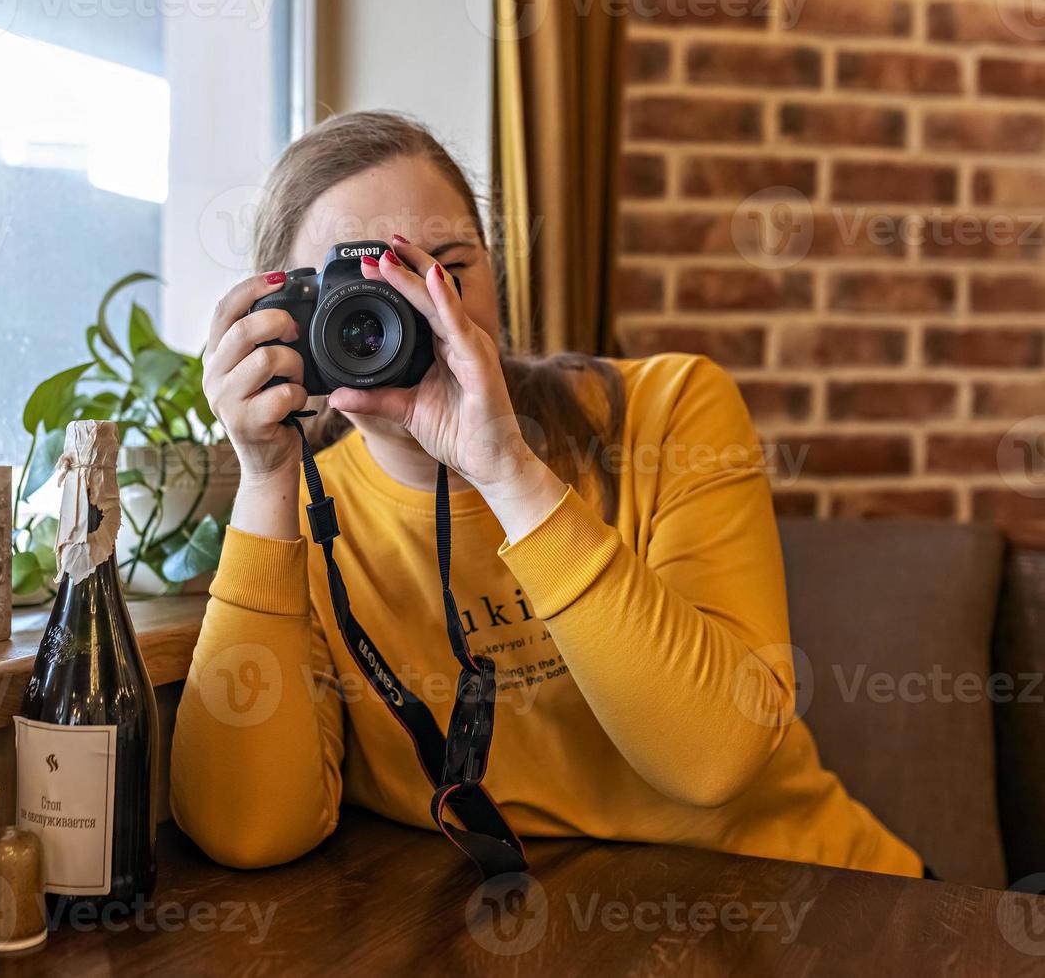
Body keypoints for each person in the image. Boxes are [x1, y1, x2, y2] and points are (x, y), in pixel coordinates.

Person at [170, 110, 920, 877]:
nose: (410, 315)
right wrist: (265, 479)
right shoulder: (308, 520)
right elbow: (248, 829)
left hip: (821, 897)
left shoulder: (670, 412)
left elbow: (715, 762)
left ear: (496, 275)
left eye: (445, 272)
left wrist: (507, 472)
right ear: (281, 322)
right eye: (355, 299)